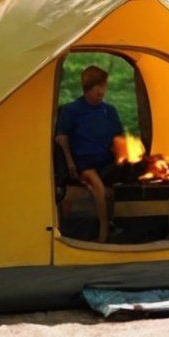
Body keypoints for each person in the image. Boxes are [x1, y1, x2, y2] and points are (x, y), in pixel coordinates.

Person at [55, 64, 126, 241]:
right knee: (98, 185)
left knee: (120, 178)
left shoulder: (109, 111)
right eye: (98, 87)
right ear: (88, 88)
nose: (101, 91)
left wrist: (122, 153)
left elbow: (119, 137)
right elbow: (61, 137)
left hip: (106, 160)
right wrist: (70, 162)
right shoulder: (72, 110)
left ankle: (112, 222)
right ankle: (104, 230)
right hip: (83, 162)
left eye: (104, 87)